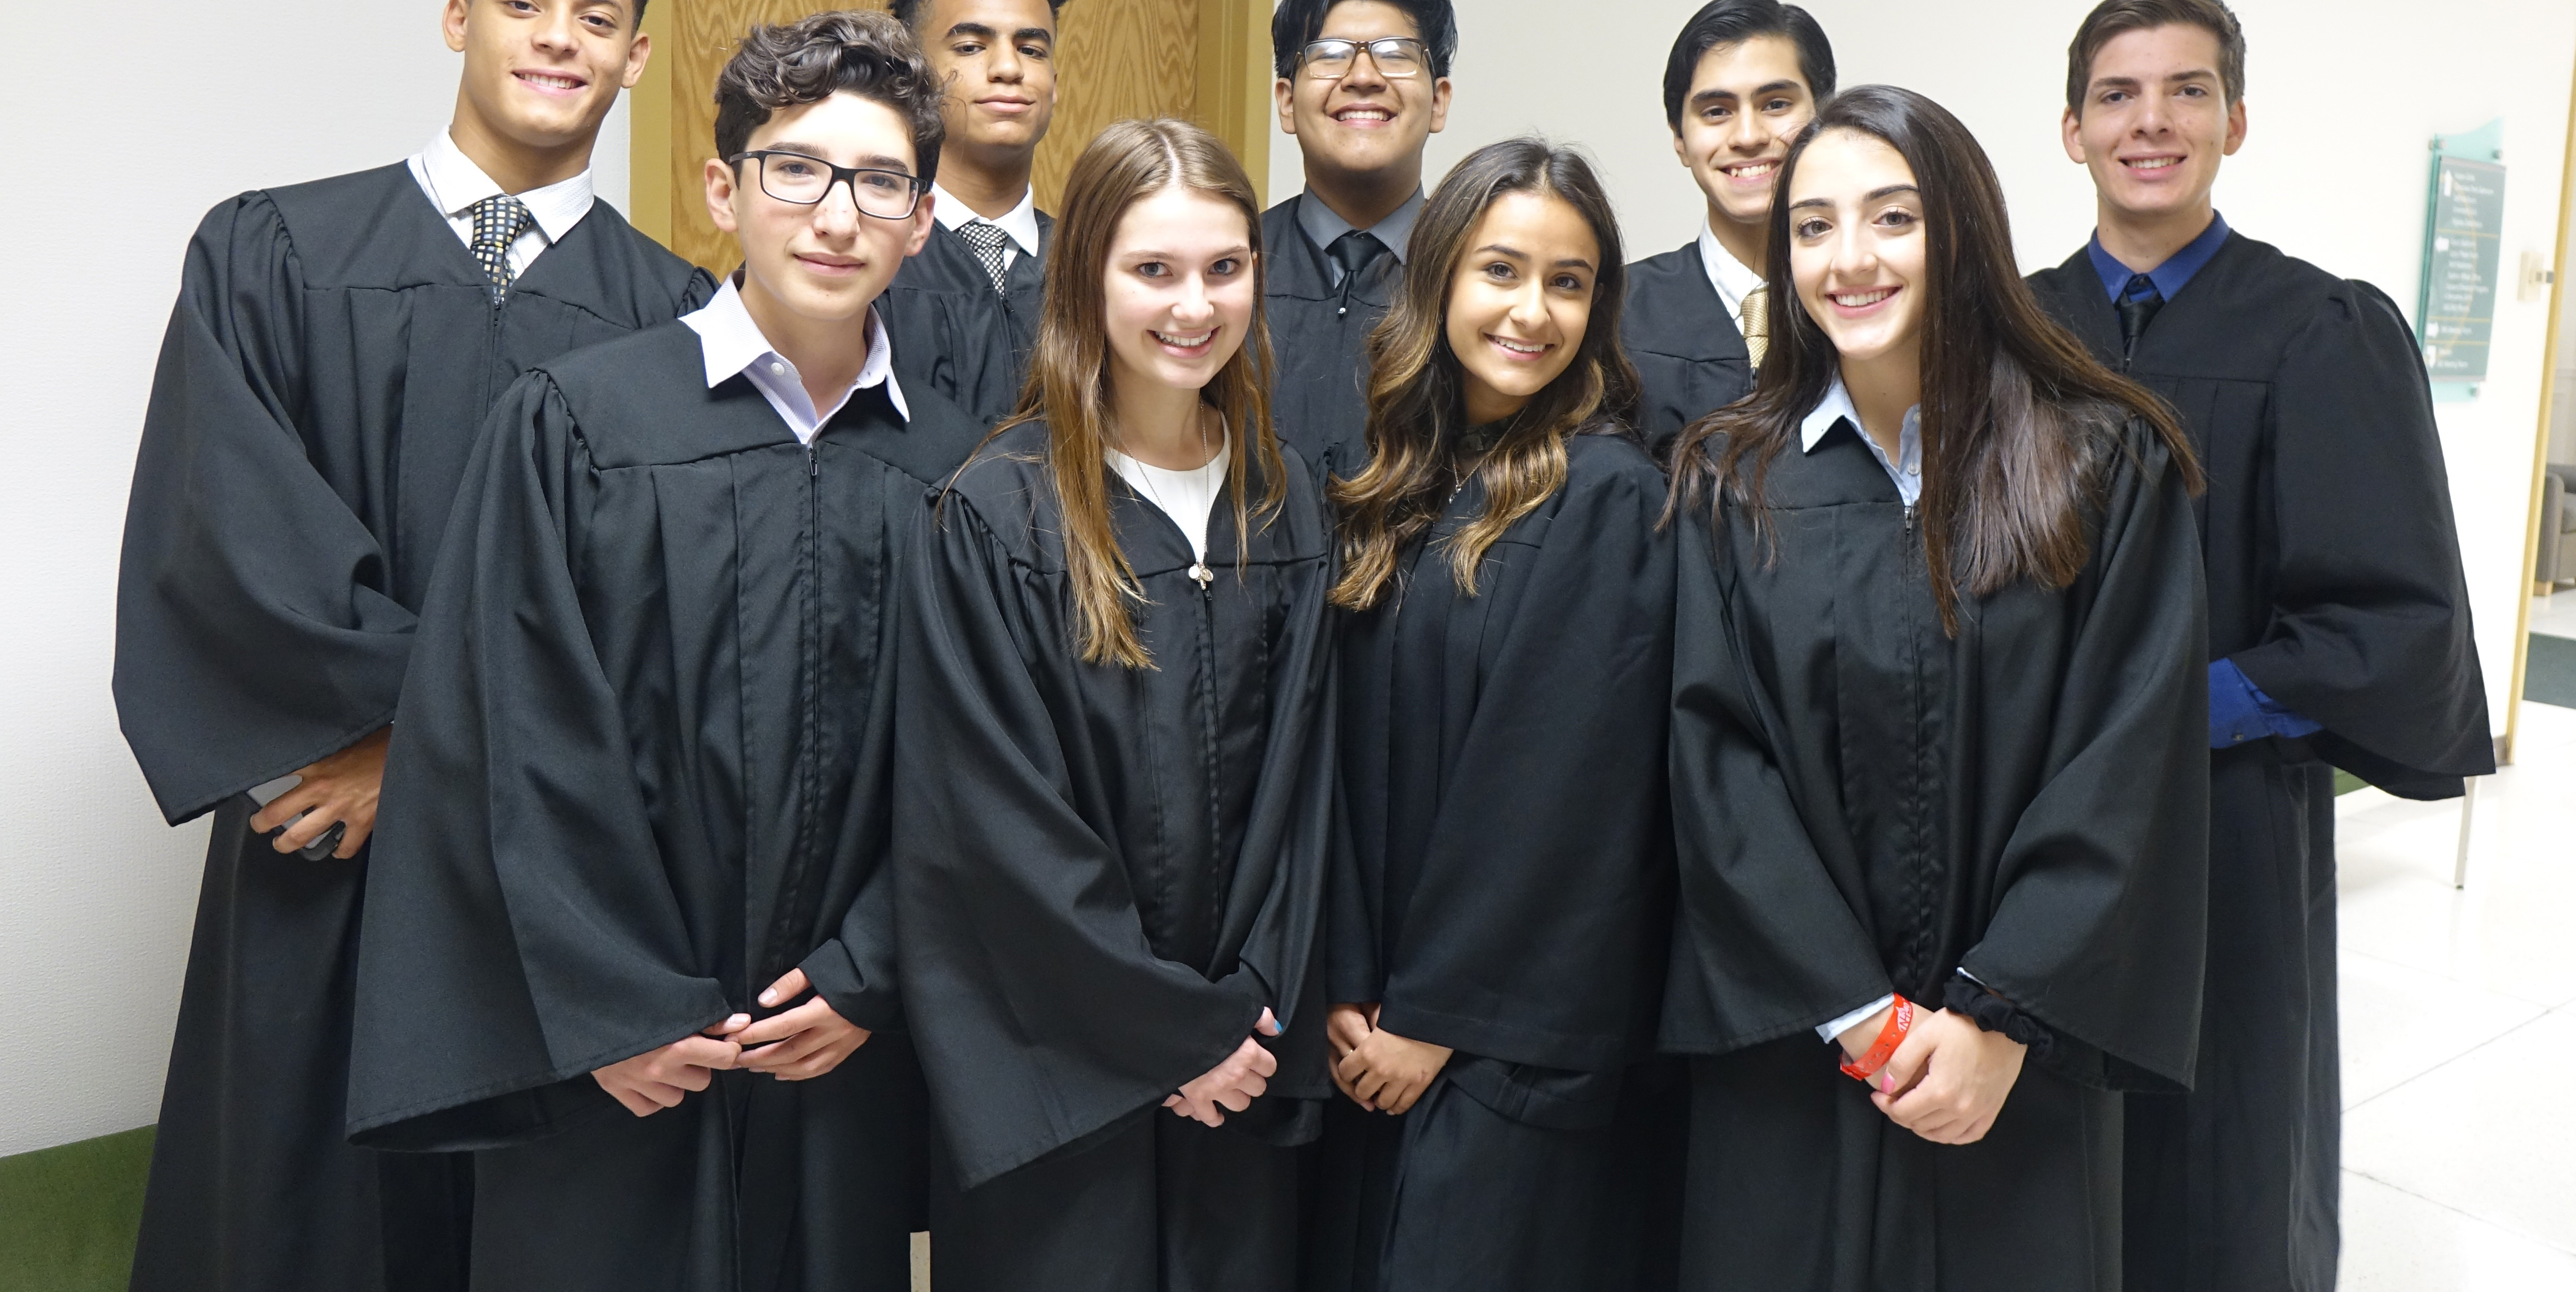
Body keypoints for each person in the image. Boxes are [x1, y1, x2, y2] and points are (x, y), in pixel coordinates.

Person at [111, 0, 710, 1292]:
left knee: (546, 1212)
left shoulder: (682, 319)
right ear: (459, 19)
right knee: (310, 1218)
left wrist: (424, 755)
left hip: (558, 868)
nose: (558, 38)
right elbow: (228, 536)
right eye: (524, 3)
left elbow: (671, 627)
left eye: (598, 17)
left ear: (637, 57)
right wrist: (382, 742)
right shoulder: (273, 253)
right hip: (333, 829)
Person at [344, 11, 977, 1291]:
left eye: (879, 183)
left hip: (840, 1050)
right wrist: (612, 1012)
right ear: (722, 188)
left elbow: (986, 768)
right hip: (612, 1058)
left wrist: (873, 971)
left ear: (921, 220)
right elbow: (504, 736)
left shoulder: (960, 471)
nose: (835, 215)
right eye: (794, 168)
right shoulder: (579, 423)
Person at [1664, 85, 2212, 1289]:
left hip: (2013, 1060)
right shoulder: (1728, 481)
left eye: (1890, 218)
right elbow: (1715, 766)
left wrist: (1998, 1015)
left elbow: (2124, 766)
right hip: (1795, 1044)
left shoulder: (2099, 463)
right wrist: (1855, 1012)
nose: (1848, 259)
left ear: (1958, 229)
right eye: (1810, 227)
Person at [2024, 0, 2492, 1292]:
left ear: (2234, 119)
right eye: (2116, 94)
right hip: (2023, 812)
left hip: (2219, 822)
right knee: (2034, 1116)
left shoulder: (2315, 331)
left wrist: (2167, 712)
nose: (2149, 121)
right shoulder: (2010, 330)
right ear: (2071, 130)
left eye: (2184, 91)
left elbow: (2390, 624)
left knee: (2216, 1129)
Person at [895, 118, 1335, 1292]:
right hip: (1066, 1073)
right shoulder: (1003, 510)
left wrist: (1244, 1018)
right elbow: (991, 829)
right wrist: (1168, 1036)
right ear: (1085, 275)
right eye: (1154, 270)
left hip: (1247, 1063)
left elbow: (1310, 792)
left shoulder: (1284, 505)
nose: (1194, 304)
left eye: (1225, 268)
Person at [1307, 139, 1674, 1291]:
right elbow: (1332, 758)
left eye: (1569, 283)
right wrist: (1348, 987)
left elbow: (1564, 789)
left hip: (1504, 1051)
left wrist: (1434, 1016)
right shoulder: (1387, 483)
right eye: (1501, 270)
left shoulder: (1608, 494)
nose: (1534, 311)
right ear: (1440, 282)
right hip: (1366, 1030)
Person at [1258, 0, 1457, 481]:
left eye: (1396, 53)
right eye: (1329, 54)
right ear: (1285, 101)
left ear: (1439, 102)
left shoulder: (1479, 277)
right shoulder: (1227, 269)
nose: (1364, 76)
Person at [1621, 0, 1836, 448]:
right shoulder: (1616, 314)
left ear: (1825, 116)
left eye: (1776, 104)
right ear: (1680, 139)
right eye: (1716, 111)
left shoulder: (1875, 299)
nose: (1748, 137)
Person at [879, 0, 1071, 421]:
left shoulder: (1091, 262)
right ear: (911, 75)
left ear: (1055, 83)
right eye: (970, 46)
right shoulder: (866, 252)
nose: (1009, 68)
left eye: (1032, 50)